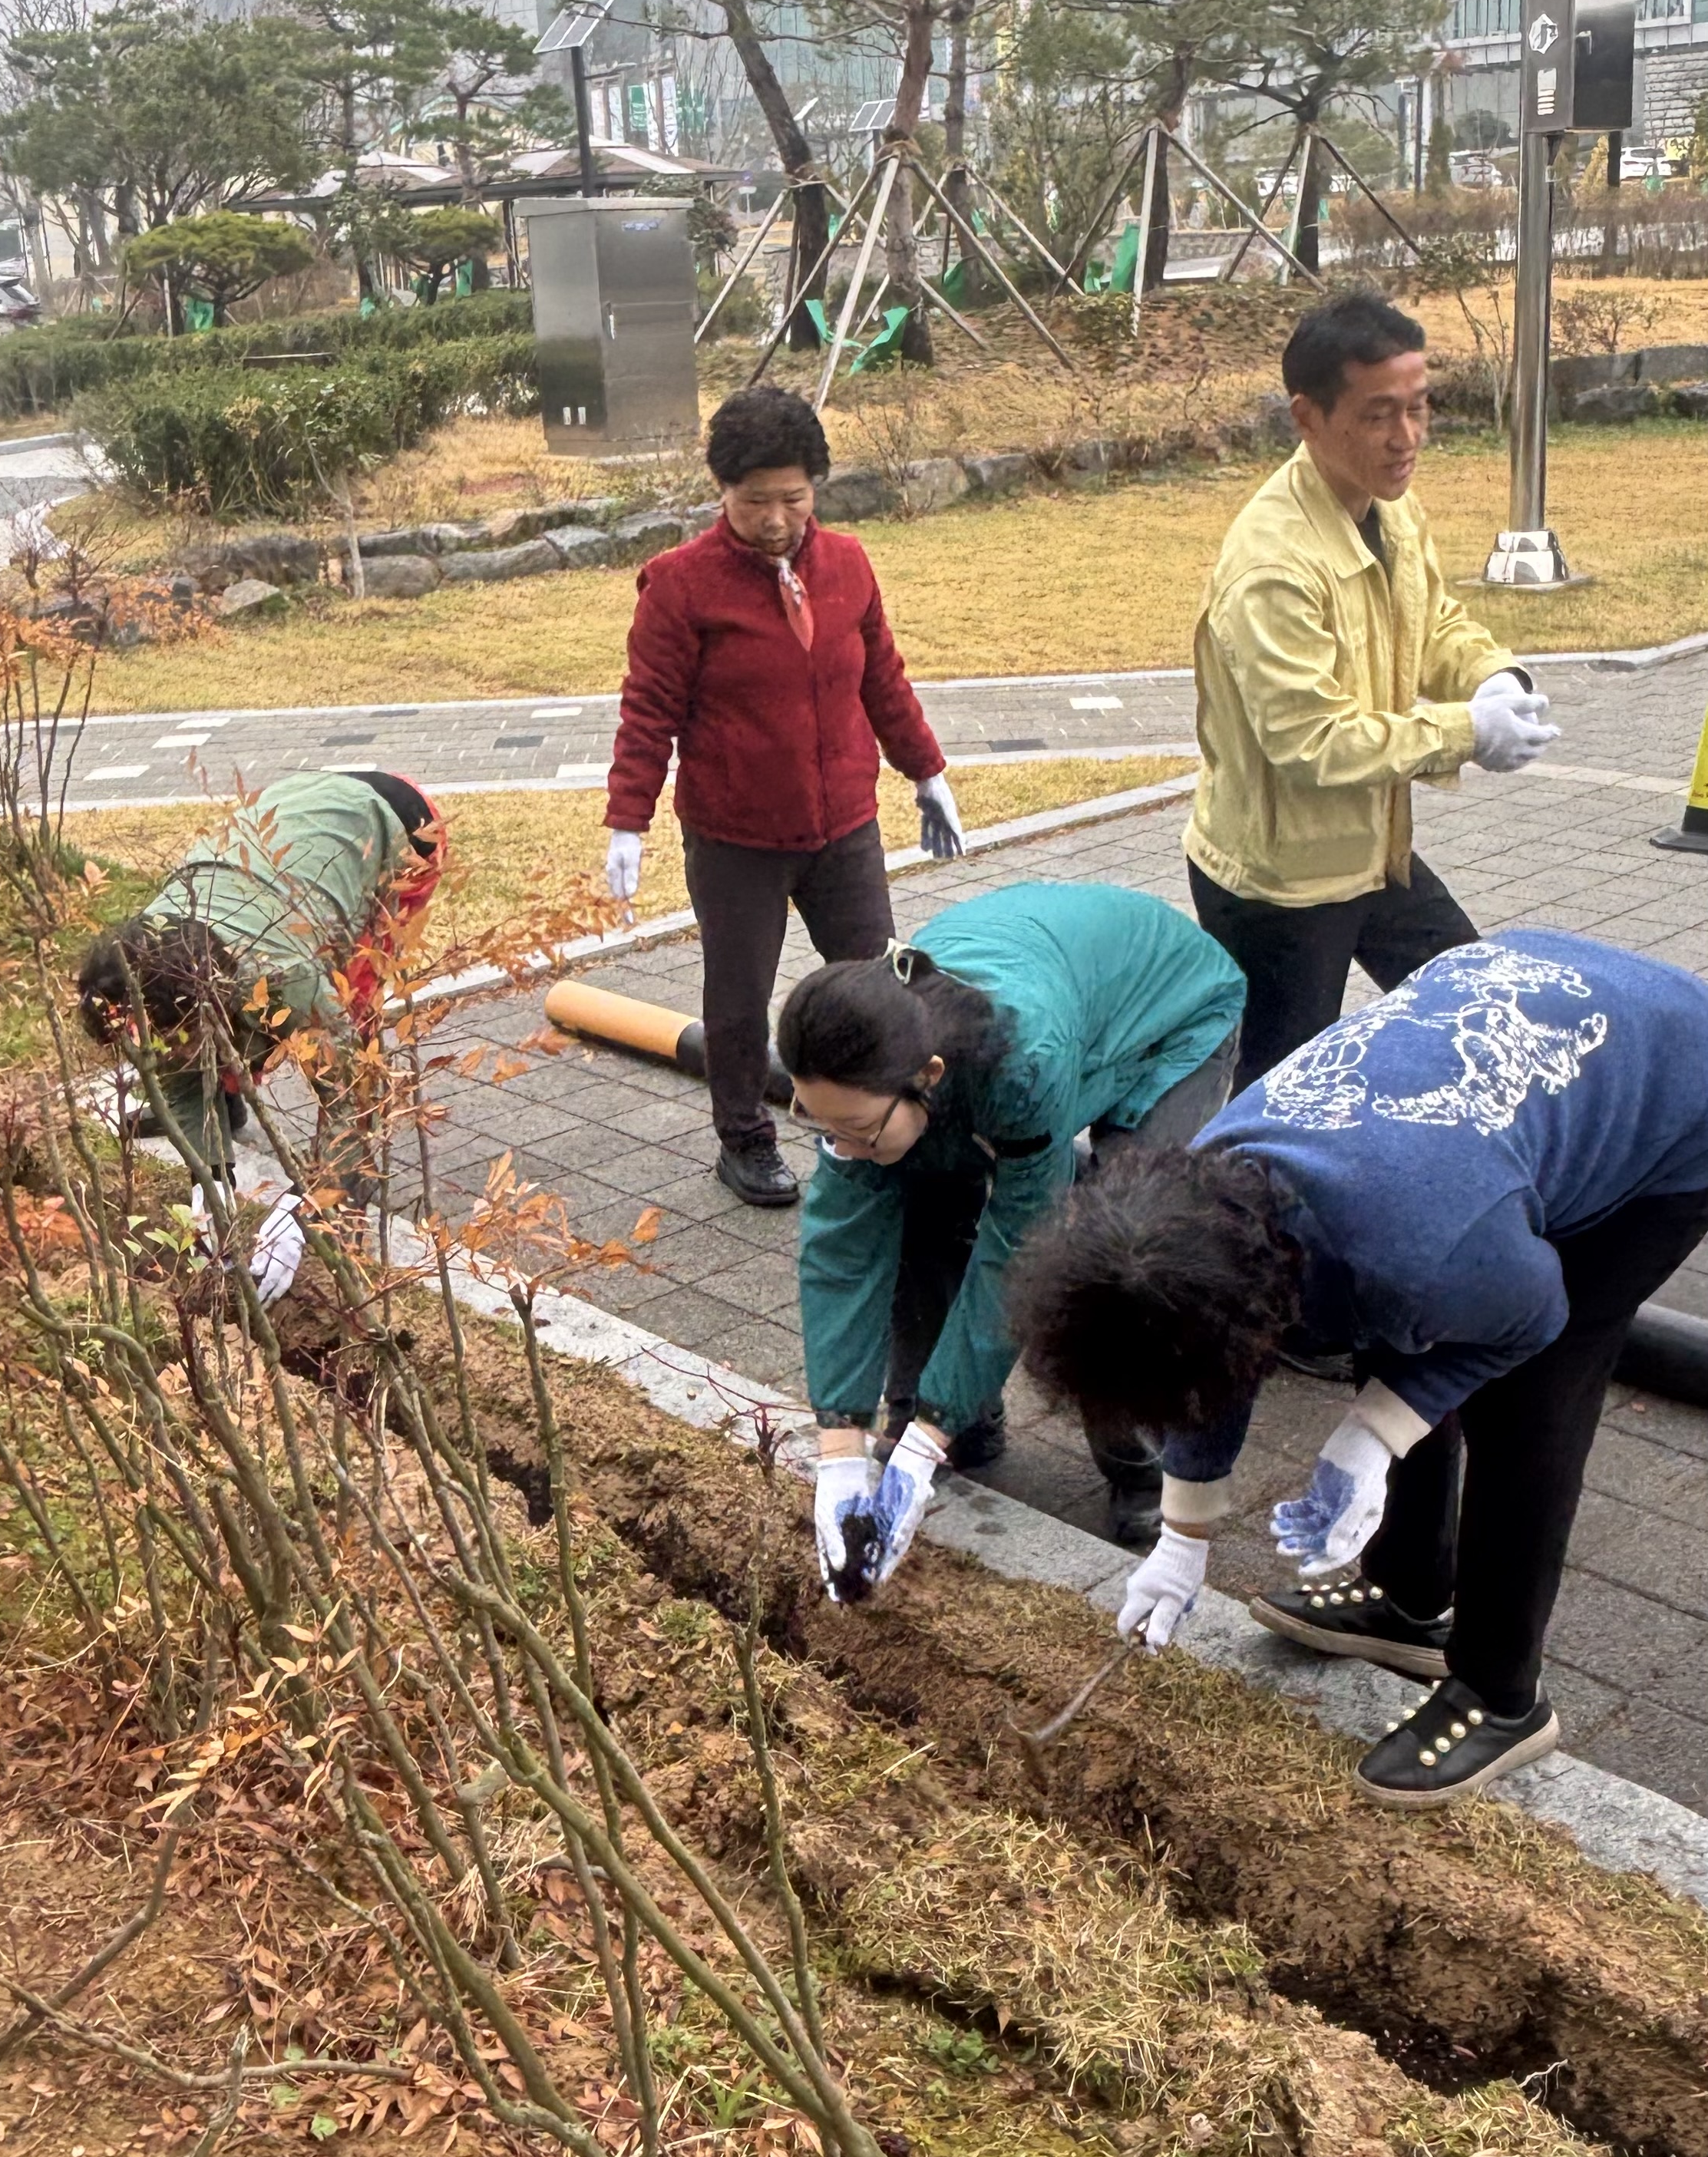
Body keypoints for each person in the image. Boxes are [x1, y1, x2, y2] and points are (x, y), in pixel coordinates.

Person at [1009, 928, 1708, 1809]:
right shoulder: (1205, 1197)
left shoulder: (1423, 1245)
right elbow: (1211, 1360)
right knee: (1394, 1324)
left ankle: (1501, 1694)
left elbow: (1531, 1316)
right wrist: (1183, 1539)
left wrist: (1375, 1432)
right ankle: (1410, 1594)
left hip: (1672, 1095)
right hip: (1493, 1072)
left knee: (1529, 1396)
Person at [778, 881, 1245, 1594]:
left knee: (1119, 1247)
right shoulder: (862, 1061)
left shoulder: (1022, 1066)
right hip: (1059, 992)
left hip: (1169, 1018)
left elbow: (1017, 1254)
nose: (840, 1144)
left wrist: (920, 1445)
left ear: (928, 1078)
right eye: (821, 1125)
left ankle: (1142, 1467)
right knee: (916, 1194)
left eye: (856, 1129)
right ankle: (963, 1424)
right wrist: (840, 1446)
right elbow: (843, 1250)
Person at [1186, 289, 1560, 1092]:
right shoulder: (1273, 564)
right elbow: (1311, 743)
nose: (1407, 439)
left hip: (1372, 851)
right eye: (1378, 415)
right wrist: (1469, 731)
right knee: (1283, 1096)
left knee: (1483, 1009)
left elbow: (1433, 622)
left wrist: (1491, 675)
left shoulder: (1390, 510)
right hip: (1279, 882)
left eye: (1420, 409)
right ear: (1308, 417)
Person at [603, 384, 963, 1211]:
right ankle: (746, 1138)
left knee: (879, 982)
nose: (775, 518)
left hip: (842, 826)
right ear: (722, 492)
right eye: (754, 500)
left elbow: (882, 679)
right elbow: (647, 712)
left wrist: (927, 774)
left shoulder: (848, 565)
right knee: (737, 1000)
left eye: (793, 500)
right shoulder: (681, 587)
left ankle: (889, 1119)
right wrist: (630, 820)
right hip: (736, 837)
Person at [77, 768, 444, 1300]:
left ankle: (349, 1202)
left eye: (166, 1039)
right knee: (203, 1038)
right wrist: (212, 1174)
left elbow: (355, 1091)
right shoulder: (134, 976)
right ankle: (225, 1106)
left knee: (353, 1017)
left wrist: (308, 1207)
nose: (154, 1051)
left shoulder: (281, 976)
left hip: (401, 828)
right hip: (300, 812)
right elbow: (170, 1057)